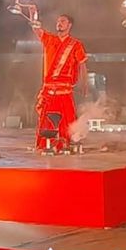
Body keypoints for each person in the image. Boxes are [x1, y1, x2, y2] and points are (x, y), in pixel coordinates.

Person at [30, 10, 88, 152]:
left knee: (67, 120)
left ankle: (65, 144)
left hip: (65, 90)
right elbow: (36, 28)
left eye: (62, 21)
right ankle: (45, 145)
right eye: (58, 21)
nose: (59, 24)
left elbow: (82, 65)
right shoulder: (50, 39)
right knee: (46, 120)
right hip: (49, 89)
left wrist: (84, 83)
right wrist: (33, 14)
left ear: (69, 25)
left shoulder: (75, 44)